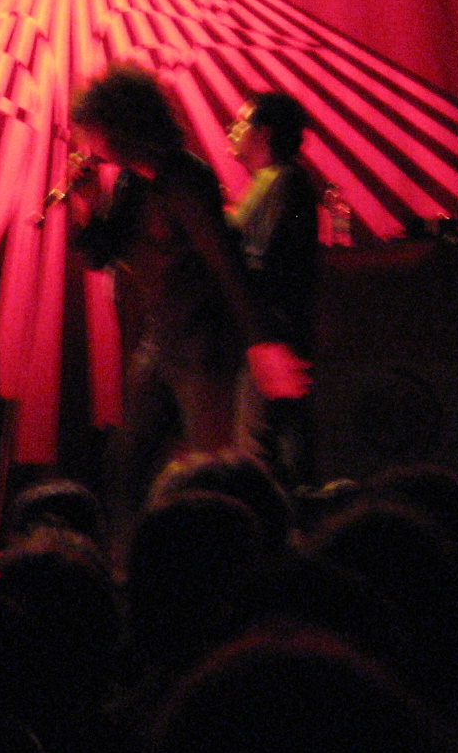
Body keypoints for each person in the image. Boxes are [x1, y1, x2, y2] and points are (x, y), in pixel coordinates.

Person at [65, 66, 306, 545]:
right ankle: (133, 564)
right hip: (162, 342)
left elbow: (227, 264)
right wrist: (88, 206)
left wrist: (262, 344)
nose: (85, 141)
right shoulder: (132, 182)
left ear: (120, 126)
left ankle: (236, 559)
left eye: (92, 129)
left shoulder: (185, 179)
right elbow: (99, 254)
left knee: (214, 474)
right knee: (125, 465)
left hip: (205, 345)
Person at [226, 91, 320, 483]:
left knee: (259, 451)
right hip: (276, 330)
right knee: (279, 443)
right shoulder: (280, 181)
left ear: (263, 133)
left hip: (272, 333)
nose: (231, 130)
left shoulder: (279, 181)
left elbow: (258, 260)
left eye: (240, 123)